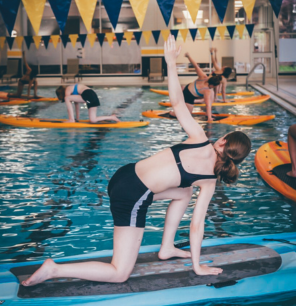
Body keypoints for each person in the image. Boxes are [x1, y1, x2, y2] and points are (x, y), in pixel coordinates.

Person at [22, 35, 251, 287]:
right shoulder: (209, 181)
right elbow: (197, 226)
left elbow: (177, 102)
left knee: (184, 192)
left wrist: (171, 63)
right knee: (120, 273)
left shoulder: (199, 137)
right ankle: (53, 269)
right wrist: (197, 267)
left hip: (125, 174)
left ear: (223, 140)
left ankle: (167, 248)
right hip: (130, 195)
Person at [181, 52, 222, 121]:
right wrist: (209, 118)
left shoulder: (204, 78)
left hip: (195, 91)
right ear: (213, 85)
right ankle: (173, 113)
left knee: (212, 94)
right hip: (188, 94)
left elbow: (196, 66)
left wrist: (188, 56)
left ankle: (207, 113)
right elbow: (208, 105)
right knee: (187, 115)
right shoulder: (206, 88)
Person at [55, 84, 120, 123]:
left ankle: (71, 119)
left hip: (87, 94)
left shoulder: (67, 90)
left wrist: (71, 120)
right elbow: (76, 105)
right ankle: (111, 117)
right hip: (92, 95)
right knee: (93, 120)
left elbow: (69, 105)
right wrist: (77, 119)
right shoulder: (73, 92)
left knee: (67, 98)